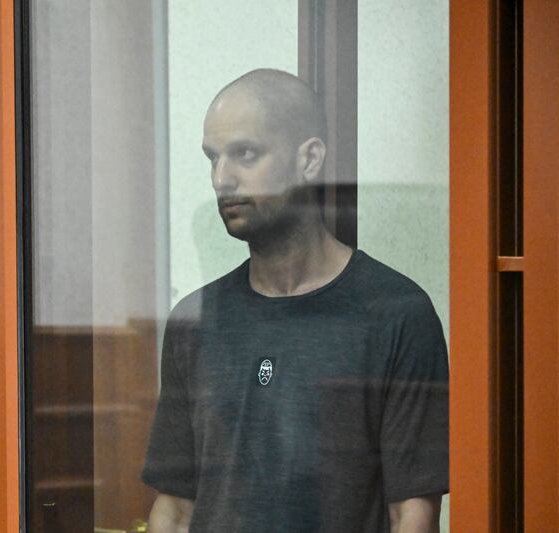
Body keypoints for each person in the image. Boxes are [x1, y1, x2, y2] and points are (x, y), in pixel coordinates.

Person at [142, 70, 448, 532]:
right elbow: (175, 509)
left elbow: (411, 514)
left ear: (309, 159)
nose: (221, 178)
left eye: (245, 154)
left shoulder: (396, 313)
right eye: (213, 158)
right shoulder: (194, 321)